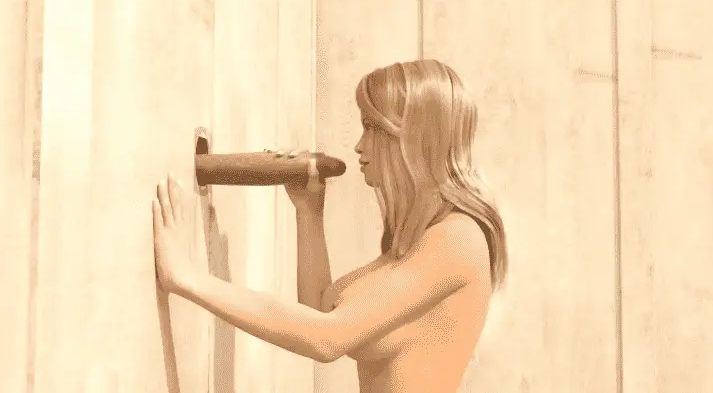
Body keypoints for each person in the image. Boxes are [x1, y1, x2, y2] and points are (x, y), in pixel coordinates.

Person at [152, 59, 508, 392]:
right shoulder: (418, 241)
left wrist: (187, 277)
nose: (359, 145)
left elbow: (325, 338)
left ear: (414, 137)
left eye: (371, 127)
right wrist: (309, 211)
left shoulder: (459, 239)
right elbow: (318, 313)